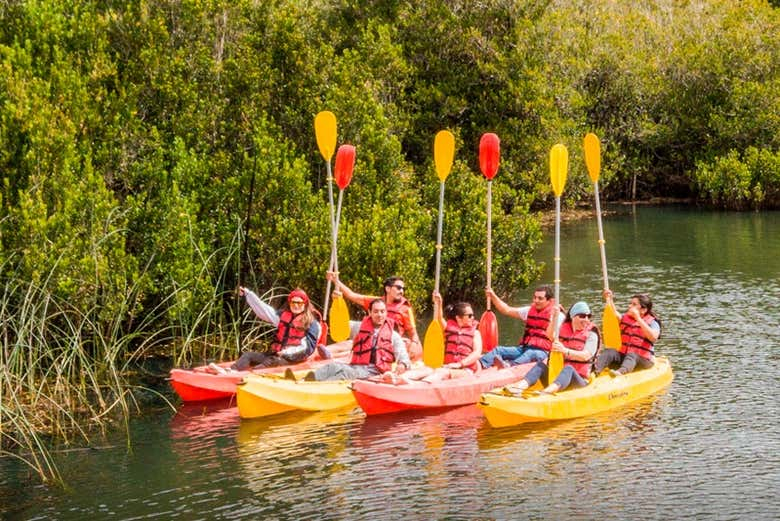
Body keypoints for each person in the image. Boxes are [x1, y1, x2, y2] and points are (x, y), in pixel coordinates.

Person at [208, 287, 322, 374]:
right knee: (249, 355)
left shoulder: (312, 324)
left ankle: (250, 375)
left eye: (299, 303)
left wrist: (286, 352)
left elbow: (308, 348)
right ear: (290, 303)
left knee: (273, 361)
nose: (296, 305)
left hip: (294, 360)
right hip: (276, 355)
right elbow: (264, 310)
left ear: (305, 304)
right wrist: (248, 294)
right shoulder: (282, 316)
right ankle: (231, 371)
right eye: (293, 302)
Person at [299, 298, 411, 381]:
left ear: (386, 313)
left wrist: (403, 365)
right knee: (332, 366)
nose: (379, 315)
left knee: (344, 373)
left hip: (374, 372)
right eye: (376, 311)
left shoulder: (393, 336)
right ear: (369, 313)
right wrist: (337, 301)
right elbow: (341, 326)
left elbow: (404, 357)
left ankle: (316, 389)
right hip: (356, 367)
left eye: (382, 311)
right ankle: (305, 381)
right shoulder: (359, 327)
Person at [505, 301, 600, 395]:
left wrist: (564, 351)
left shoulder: (591, 334)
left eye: (589, 316)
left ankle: (545, 393)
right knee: (540, 366)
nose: (586, 319)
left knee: (569, 369)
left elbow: (586, 356)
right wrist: (554, 317)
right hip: (559, 377)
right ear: (573, 316)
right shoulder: (564, 329)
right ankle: (518, 387)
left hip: (580, 381)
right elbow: (549, 335)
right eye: (582, 316)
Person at [325, 272, 422, 362]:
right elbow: (352, 295)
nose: (401, 291)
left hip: (388, 342)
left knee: (358, 345)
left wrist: (414, 344)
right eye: (398, 288)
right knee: (349, 327)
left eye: (403, 289)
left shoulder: (405, 309)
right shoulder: (376, 302)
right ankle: (325, 351)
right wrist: (335, 281)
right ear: (388, 289)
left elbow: (414, 334)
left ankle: (333, 355)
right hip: (372, 335)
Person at [389, 291, 482, 384]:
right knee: (426, 369)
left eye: (472, 315)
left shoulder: (475, 333)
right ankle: (397, 378)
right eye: (469, 315)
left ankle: (421, 385)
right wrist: (439, 302)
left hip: (466, 370)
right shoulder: (449, 329)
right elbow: (439, 318)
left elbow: (477, 353)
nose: (473, 318)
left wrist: (459, 364)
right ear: (458, 318)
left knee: (442, 372)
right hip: (447, 366)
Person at [478, 285, 566, 369]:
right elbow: (507, 310)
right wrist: (493, 295)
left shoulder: (558, 316)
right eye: (535, 297)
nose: (536, 300)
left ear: (550, 301)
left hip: (544, 352)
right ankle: (478, 365)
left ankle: (510, 366)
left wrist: (554, 317)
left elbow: (557, 338)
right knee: (499, 350)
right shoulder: (529, 310)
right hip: (524, 348)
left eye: (540, 298)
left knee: (530, 353)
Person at [592, 290, 661, 376]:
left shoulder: (653, 323)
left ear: (643, 310)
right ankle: (594, 371)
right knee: (610, 351)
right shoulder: (626, 318)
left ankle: (621, 372)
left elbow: (653, 337)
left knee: (632, 355)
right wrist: (609, 299)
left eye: (634, 304)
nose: (630, 306)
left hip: (643, 360)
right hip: (625, 357)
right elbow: (614, 314)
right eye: (630, 303)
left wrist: (638, 318)